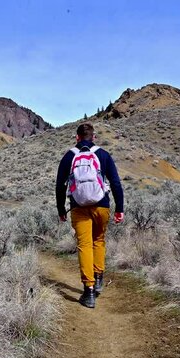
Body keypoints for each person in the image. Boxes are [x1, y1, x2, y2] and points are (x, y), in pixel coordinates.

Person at [55, 123, 124, 308]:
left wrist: (61, 210)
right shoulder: (103, 154)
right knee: (99, 241)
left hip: (78, 206)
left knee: (84, 245)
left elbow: (59, 185)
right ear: (94, 137)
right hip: (101, 205)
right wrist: (119, 208)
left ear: (77, 137)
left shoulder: (69, 156)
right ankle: (99, 277)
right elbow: (116, 183)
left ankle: (89, 291)